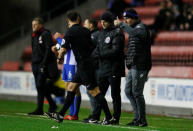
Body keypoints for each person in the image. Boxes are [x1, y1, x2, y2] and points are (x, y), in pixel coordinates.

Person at [46, 11, 112, 124]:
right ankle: (61, 114)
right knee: (71, 87)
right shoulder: (86, 30)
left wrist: (59, 58)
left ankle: (109, 117)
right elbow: (92, 46)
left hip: (84, 65)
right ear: (78, 18)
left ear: (68, 21)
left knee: (95, 91)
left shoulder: (69, 32)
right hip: (86, 63)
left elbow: (63, 48)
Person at [115, 8, 152, 127]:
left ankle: (142, 120)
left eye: (128, 18)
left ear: (134, 17)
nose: (126, 20)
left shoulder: (141, 27)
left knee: (137, 92)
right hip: (133, 65)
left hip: (141, 65)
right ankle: (137, 118)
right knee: (128, 91)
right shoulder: (133, 29)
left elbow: (135, 34)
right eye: (124, 19)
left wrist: (122, 25)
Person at [91, 11, 125, 125]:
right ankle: (97, 116)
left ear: (110, 21)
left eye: (105, 21)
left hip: (114, 68)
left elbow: (116, 51)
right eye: (101, 21)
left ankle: (115, 118)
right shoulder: (101, 34)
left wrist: (100, 54)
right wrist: (91, 57)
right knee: (99, 94)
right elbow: (97, 50)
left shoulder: (117, 32)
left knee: (115, 95)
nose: (103, 23)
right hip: (103, 69)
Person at [28, 17, 59, 115]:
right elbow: (34, 50)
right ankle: (51, 105)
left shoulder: (45, 34)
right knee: (40, 87)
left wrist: (43, 64)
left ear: (41, 25)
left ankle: (41, 109)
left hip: (42, 64)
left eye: (35, 24)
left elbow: (48, 50)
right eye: (32, 24)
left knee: (40, 85)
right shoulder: (34, 35)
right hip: (35, 64)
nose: (33, 26)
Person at [52, 33, 82, 120]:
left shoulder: (74, 36)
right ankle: (71, 113)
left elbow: (67, 45)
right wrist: (57, 47)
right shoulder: (68, 38)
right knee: (68, 88)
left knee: (74, 89)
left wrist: (58, 38)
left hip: (72, 65)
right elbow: (64, 48)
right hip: (66, 64)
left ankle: (74, 114)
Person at [82, 18, 100, 122]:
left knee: (93, 91)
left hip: (96, 66)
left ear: (91, 25)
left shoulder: (95, 35)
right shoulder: (91, 34)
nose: (84, 25)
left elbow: (89, 48)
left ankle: (95, 115)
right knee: (91, 91)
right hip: (92, 66)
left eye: (86, 23)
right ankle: (94, 114)